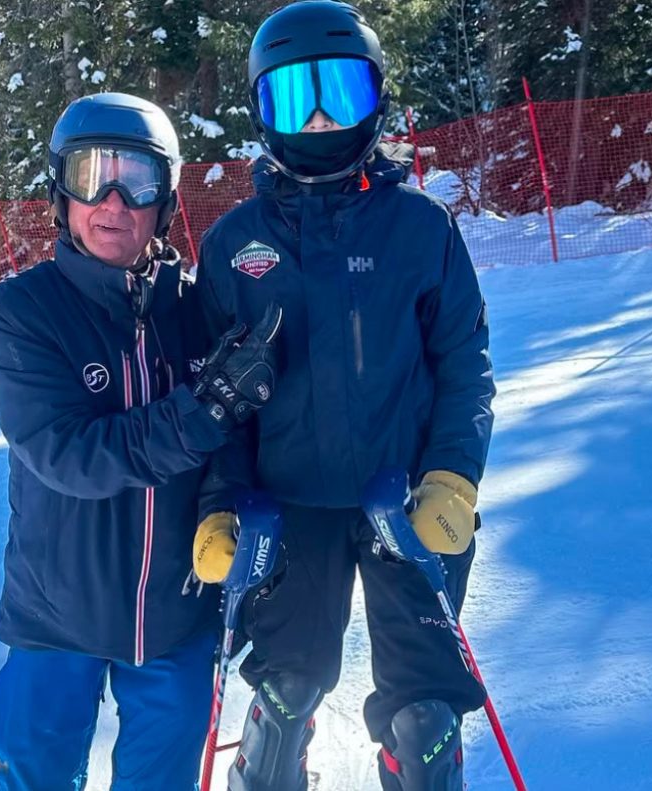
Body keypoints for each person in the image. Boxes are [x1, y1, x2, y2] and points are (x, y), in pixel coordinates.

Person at [188, 3, 496, 790]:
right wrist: (222, 501)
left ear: (377, 99)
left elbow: (464, 362)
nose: (321, 118)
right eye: (297, 98)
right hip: (287, 509)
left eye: (341, 94)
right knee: (285, 694)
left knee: (424, 713)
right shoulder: (233, 246)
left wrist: (454, 477)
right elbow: (216, 400)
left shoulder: (420, 229)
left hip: (405, 503)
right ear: (264, 112)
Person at [0, 92, 281, 791]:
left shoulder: (197, 307)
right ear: (62, 191)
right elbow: (69, 454)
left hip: (173, 616)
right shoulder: (23, 315)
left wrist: (221, 503)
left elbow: (234, 438)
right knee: (34, 775)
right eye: (92, 176)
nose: (112, 201)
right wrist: (200, 411)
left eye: (136, 180)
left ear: (165, 199)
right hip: (56, 617)